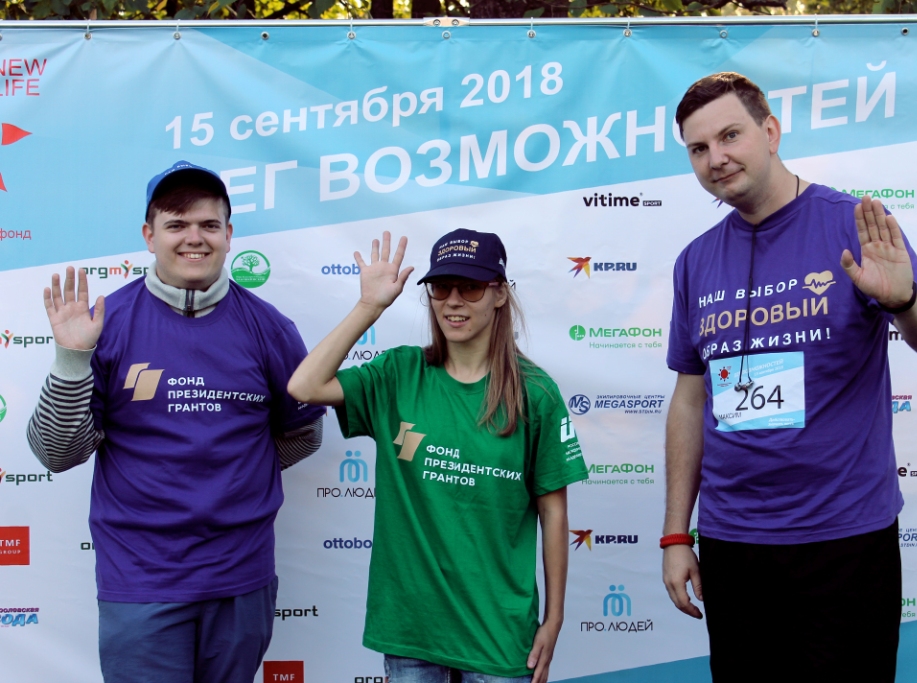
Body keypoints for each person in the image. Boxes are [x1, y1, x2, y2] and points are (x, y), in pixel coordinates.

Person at [659, 73, 917, 682]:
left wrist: (903, 302)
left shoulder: (853, 224)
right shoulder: (694, 260)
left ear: (770, 132)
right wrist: (675, 535)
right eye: (698, 148)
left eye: (730, 136)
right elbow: (690, 400)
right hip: (733, 543)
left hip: (845, 538)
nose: (716, 159)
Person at [26, 160, 326, 683]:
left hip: (240, 578)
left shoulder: (270, 329)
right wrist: (72, 359)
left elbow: (303, 433)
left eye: (209, 224)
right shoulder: (106, 325)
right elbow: (56, 454)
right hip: (141, 579)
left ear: (229, 235)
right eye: (176, 224)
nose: (194, 238)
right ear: (149, 235)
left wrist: (237, 474)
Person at [288, 229, 586, 683]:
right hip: (412, 629)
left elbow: (554, 512)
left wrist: (555, 618)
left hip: (498, 634)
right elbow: (304, 386)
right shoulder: (399, 373)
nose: (453, 301)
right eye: (441, 287)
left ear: (499, 294)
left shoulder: (535, 393)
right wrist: (369, 306)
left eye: (470, 287)